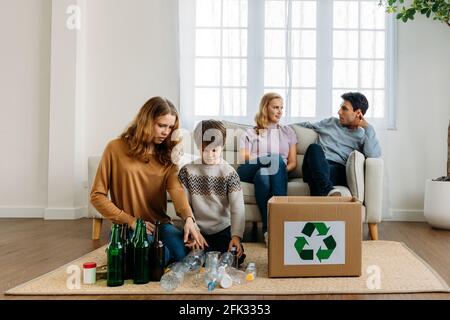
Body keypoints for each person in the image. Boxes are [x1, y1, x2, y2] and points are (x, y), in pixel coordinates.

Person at [90, 96, 207, 265]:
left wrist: (189, 219)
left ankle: (133, 257)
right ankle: (124, 250)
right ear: (146, 121)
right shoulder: (115, 148)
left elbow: (177, 191)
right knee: (161, 257)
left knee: (187, 255)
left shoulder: (168, 155)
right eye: (161, 125)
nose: (166, 132)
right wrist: (130, 221)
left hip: (160, 225)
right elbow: (97, 195)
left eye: (170, 127)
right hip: (128, 226)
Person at [179, 120, 246, 265]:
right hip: (197, 229)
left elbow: (237, 208)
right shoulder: (187, 171)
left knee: (235, 255)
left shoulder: (229, 173)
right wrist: (194, 230)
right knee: (180, 251)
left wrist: (236, 237)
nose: (210, 154)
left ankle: (207, 255)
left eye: (214, 150)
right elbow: (185, 205)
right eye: (205, 150)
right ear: (198, 147)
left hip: (222, 229)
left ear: (222, 147)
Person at [237, 92, 298, 246]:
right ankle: (281, 220)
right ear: (265, 108)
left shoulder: (288, 132)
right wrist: (268, 159)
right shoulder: (251, 132)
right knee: (275, 159)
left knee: (264, 175)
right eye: (275, 107)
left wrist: (277, 169)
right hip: (248, 170)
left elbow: (292, 163)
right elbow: (244, 157)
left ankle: (268, 229)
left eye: (282, 108)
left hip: (275, 173)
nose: (279, 111)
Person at [297, 92, 381, 197]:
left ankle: (319, 202)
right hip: (315, 165)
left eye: (344, 109)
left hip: (336, 171)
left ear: (358, 113)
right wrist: (281, 127)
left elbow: (372, 155)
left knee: (332, 173)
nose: (339, 112)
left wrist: (368, 127)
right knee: (314, 148)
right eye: (340, 108)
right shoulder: (330, 122)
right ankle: (327, 190)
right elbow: (307, 125)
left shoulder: (363, 136)